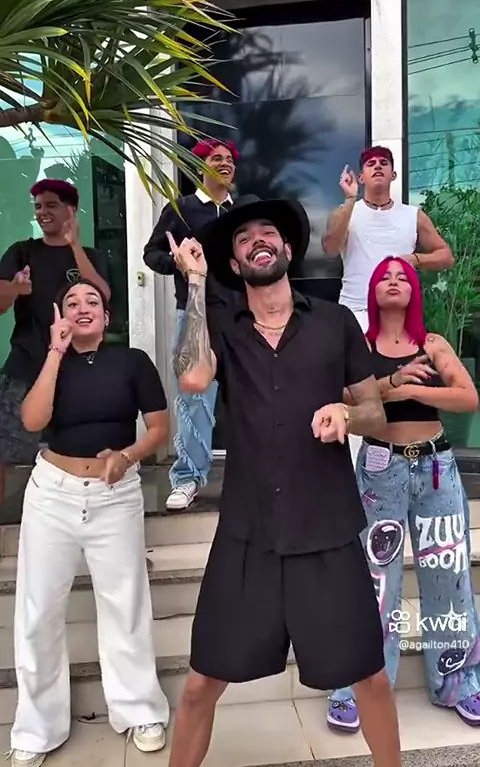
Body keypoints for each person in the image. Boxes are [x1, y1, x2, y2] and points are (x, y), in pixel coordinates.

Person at [164, 193, 403, 767]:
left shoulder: (335, 323)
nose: (257, 242)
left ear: (288, 249)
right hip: (248, 535)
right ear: (235, 263)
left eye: (266, 233)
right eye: (243, 239)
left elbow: (375, 411)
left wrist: (347, 414)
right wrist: (195, 283)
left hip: (327, 530)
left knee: (369, 678)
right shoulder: (223, 327)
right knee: (199, 686)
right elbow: (193, 379)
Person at [10, 281, 170, 767]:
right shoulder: (51, 360)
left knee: (125, 604)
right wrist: (55, 352)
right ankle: (37, 728)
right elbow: (33, 420)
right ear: (60, 316)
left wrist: (128, 455)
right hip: (52, 495)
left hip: (114, 495)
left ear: (107, 316)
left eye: (93, 302)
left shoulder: (133, 362)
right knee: (38, 611)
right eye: (72, 303)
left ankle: (140, 710)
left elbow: (159, 430)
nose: (83, 308)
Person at [328, 257, 480, 733]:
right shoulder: (360, 344)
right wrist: (395, 382)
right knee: (374, 581)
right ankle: (359, 686)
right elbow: (347, 401)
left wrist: (416, 390)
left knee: (448, 574)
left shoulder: (433, 344)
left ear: (414, 290)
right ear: (372, 290)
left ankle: (458, 681)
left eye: (403, 277)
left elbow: (468, 397)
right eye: (385, 277)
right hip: (381, 467)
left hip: (436, 467)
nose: (394, 281)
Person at [322, 145, 454, 464]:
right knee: (352, 393)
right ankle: (353, 469)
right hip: (354, 313)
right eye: (370, 163)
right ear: (362, 176)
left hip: (398, 319)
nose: (378, 166)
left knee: (394, 390)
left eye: (384, 162)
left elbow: (445, 256)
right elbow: (329, 247)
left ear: (394, 174)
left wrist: (415, 259)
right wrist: (349, 200)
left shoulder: (412, 215)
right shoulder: (348, 211)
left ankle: (393, 463)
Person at [143, 138, 239, 511]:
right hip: (195, 314)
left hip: (240, 317)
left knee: (250, 398)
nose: (225, 163)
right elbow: (151, 254)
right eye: (217, 158)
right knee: (194, 401)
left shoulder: (241, 210)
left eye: (230, 159)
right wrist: (177, 262)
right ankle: (187, 479)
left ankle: (251, 478)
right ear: (201, 166)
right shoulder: (181, 209)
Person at [0, 179, 110, 502]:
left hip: (77, 369)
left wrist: (74, 246)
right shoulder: (22, 252)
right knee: (4, 449)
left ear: (71, 210)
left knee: (79, 448)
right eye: (38, 207)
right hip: (26, 366)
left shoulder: (90, 256)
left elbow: (102, 295)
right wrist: (16, 288)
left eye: (51, 205)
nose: (42, 212)